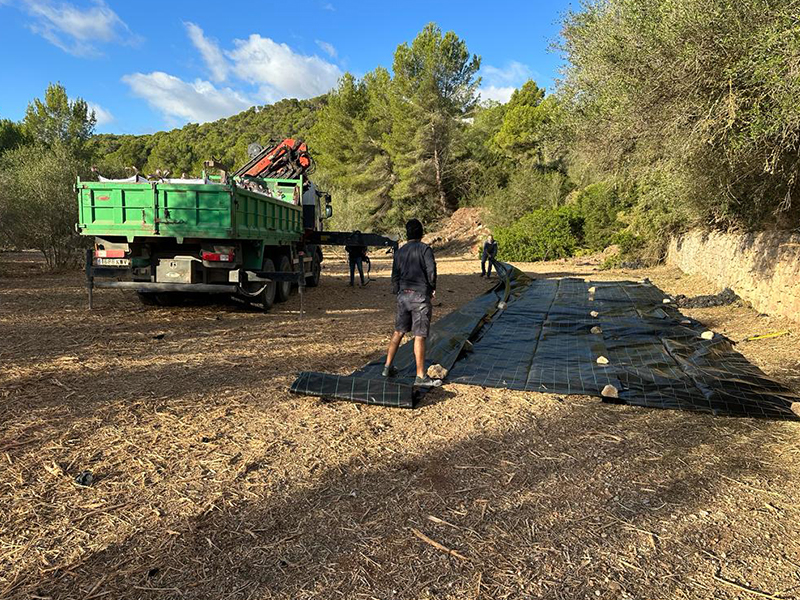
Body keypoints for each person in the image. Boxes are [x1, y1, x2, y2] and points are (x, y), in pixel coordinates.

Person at [382, 219, 441, 387]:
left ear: (407, 234)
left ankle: (387, 367)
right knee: (419, 336)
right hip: (420, 297)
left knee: (398, 332)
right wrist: (432, 288)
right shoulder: (425, 249)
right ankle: (420, 376)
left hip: (403, 296)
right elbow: (431, 272)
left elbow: (394, 275)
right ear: (421, 233)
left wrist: (398, 291)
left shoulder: (399, 252)